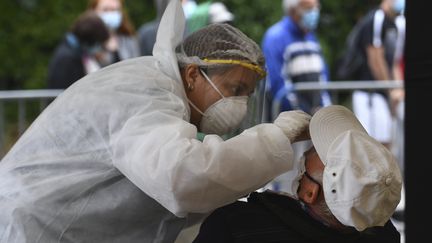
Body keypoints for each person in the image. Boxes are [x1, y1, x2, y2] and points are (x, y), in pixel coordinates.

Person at [0, 1, 312, 242]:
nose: (240, 104)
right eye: (235, 89)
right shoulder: (148, 92)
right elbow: (184, 179)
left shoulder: (161, 91)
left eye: (247, 94)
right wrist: (277, 137)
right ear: (192, 75)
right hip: (35, 229)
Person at [193, 105, 403, 243]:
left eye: (315, 151)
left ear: (310, 192)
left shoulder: (235, 224)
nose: (307, 151)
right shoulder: (385, 236)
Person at [261, 0, 332, 122]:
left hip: (315, 121)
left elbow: (323, 78)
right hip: (288, 123)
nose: (314, 12)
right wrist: (303, 116)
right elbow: (278, 84)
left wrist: (325, 112)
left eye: (316, 7)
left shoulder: (311, 37)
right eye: (309, 8)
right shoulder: (275, 37)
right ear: (293, 10)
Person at [348, 0, 405, 149]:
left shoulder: (397, 23)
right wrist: (390, 90)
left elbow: (394, 62)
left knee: (386, 142)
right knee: (369, 144)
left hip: (383, 92)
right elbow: (375, 59)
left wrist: (397, 89)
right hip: (368, 92)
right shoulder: (376, 18)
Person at [46, 10, 110, 89]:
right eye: (98, 43)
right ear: (89, 40)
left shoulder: (73, 52)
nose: (99, 48)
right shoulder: (67, 59)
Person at [88, 0, 140, 66]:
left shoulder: (129, 40)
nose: (110, 14)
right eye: (105, 10)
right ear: (93, 11)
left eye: (114, 10)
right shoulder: (87, 43)